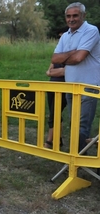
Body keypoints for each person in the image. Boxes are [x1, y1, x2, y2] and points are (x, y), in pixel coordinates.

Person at [52, 2, 100, 152]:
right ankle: (76, 158)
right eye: (68, 16)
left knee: (82, 125)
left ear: (83, 16)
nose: (71, 19)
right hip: (70, 86)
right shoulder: (66, 35)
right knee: (74, 123)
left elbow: (79, 58)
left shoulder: (91, 30)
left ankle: (78, 161)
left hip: (88, 87)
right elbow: (54, 59)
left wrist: (67, 56)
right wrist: (75, 52)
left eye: (75, 15)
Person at [44, 63, 67, 149]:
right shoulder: (59, 52)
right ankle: (58, 139)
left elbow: (65, 72)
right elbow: (49, 71)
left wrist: (52, 72)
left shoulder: (72, 55)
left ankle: (49, 141)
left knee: (54, 113)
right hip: (52, 86)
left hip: (63, 87)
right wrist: (53, 72)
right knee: (54, 112)